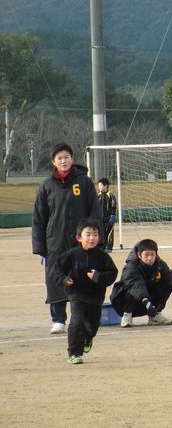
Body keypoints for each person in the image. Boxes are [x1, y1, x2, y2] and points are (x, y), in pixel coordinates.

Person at [32, 142, 102, 334]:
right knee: (56, 278)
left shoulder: (84, 182)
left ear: (72, 158)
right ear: (53, 161)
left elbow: (95, 211)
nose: (64, 161)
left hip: (81, 242)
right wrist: (40, 248)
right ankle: (58, 320)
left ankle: (81, 319)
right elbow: (39, 218)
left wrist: (95, 239)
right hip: (55, 242)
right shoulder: (47, 186)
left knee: (82, 278)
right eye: (59, 158)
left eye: (67, 157)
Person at [55, 218, 118, 364]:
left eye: (95, 235)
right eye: (88, 234)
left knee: (93, 326)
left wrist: (98, 277)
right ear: (79, 237)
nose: (92, 238)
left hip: (95, 297)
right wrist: (64, 279)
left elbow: (112, 273)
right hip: (76, 293)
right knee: (77, 322)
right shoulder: (71, 255)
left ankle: (88, 337)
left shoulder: (103, 256)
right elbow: (57, 269)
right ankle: (74, 353)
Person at [110, 239, 172, 327]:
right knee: (131, 287)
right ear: (139, 255)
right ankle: (127, 315)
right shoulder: (130, 266)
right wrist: (146, 302)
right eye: (146, 255)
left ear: (156, 255)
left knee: (166, 283)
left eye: (152, 255)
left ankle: (154, 316)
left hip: (150, 306)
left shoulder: (160, 264)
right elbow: (136, 285)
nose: (150, 258)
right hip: (126, 303)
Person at [97, 178, 117, 252]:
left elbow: (113, 206)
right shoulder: (98, 196)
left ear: (106, 186)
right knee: (101, 233)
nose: (99, 187)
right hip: (100, 219)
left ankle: (109, 247)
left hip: (108, 218)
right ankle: (101, 246)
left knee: (109, 233)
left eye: (101, 185)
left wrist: (113, 215)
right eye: (98, 185)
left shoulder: (111, 196)